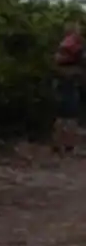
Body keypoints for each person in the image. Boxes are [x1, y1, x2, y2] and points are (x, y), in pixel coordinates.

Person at [52, 21, 85, 154]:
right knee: (71, 115)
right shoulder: (74, 45)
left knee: (61, 115)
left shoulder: (63, 45)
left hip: (61, 81)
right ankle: (69, 145)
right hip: (69, 81)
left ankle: (57, 143)